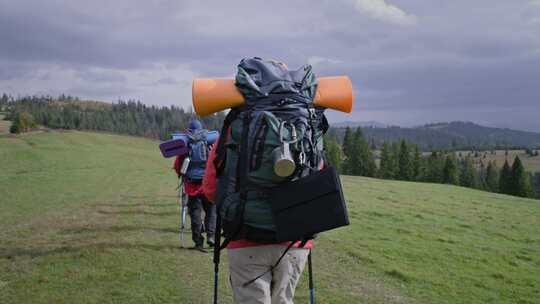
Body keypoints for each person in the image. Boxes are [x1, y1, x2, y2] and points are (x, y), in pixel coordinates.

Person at [203, 136, 313, 304]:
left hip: (245, 238)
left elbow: (210, 190)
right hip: (295, 241)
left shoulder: (235, 126)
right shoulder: (306, 126)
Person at [174, 119, 216, 252]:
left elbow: (178, 166)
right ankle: (211, 236)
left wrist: (181, 175)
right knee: (211, 211)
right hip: (207, 185)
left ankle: (198, 242)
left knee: (195, 214)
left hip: (192, 186)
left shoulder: (186, 145)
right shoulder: (209, 143)